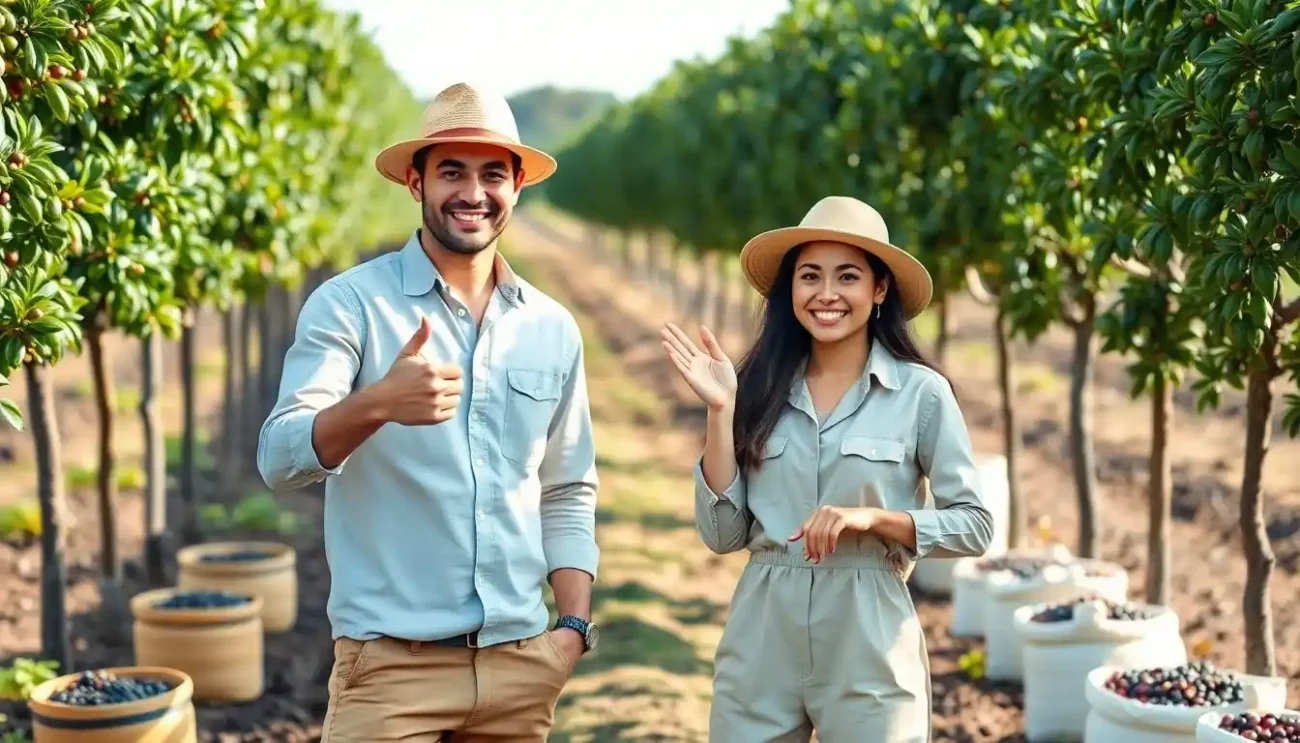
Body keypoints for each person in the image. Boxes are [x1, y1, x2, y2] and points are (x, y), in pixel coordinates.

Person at [257, 81, 601, 742]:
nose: (473, 192)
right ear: (415, 183)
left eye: (492, 173)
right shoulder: (351, 306)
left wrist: (572, 630)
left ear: (517, 185)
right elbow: (279, 456)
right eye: (451, 172)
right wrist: (379, 402)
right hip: (390, 672)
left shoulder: (552, 328)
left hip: (519, 666)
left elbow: (566, 487)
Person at [660, 195, 993, 742]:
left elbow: (975, 525)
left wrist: (873, 520)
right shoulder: (756, 389)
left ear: (879, 289)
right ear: (790, 289)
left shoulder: (921, 395)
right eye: (810, 276)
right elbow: (723, 535)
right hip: (764, 629)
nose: (827, 294)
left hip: (869, 634)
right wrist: (721, 412)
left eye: (848, 276)